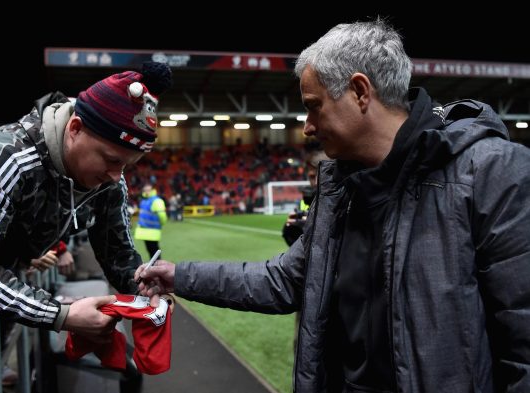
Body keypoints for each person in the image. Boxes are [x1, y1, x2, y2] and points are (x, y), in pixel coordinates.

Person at [136, 19, 530, 392]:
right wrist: (180, 276)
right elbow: (285, 281)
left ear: (360, 92)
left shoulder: (492, 172)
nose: (307, 125)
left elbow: (522, 342)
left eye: (313, 105)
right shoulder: (341, 188)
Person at [0, 61, 172, 352]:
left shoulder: (110, 181)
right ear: (74, 128)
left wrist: (145, 294)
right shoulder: (7, 154)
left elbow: (118, 253)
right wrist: (61, 315)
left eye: (127, 165)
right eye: (111, 159)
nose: (116, 176)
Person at [282, 136, 328, 247]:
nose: (316, 182)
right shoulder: (309, 202)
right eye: (312, 176)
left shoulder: (357, 207)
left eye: (324, 174)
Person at [134, 183, 167, 258]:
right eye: (145, 190)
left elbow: (162, 216)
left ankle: (158, 268)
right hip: (144, 232)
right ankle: (154, 267)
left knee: (154, 252)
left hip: (153, 231)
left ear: (152, 190)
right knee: (151, 252)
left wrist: (161, 223)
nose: (146, 192)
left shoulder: (156, 201)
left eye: (148, 190)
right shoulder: (144, 201)